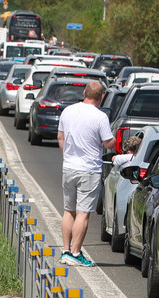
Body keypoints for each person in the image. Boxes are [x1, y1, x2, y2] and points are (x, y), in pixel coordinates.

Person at [57, 82, 116, 267]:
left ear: (84, 93)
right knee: (83, 213)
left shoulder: (68, 111)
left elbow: (60, 137)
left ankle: (66, 250)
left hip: (69, 167)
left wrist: (67, 155)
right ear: (101, 97)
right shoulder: (100, 117)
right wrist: (114, 139)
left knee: (68, 210)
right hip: (89, 169)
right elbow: (109, 143)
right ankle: (75, 253)